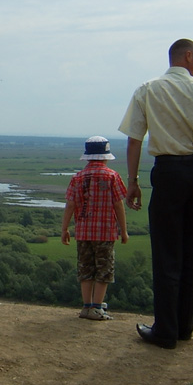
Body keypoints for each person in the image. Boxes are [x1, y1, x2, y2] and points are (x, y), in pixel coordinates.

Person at [119, 39, 193, 349]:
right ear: (188, 56)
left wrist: (132, 181)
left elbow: (134, 140)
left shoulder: (147, 89)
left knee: (166, 255)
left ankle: (165, 331)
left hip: (169, 174)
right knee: (192, 254)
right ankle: (184, 327)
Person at [61, 136, 129, 320]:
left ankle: (86, 306)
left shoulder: (77, 177)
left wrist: (65, 229)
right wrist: (123, 230)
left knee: (86, 269)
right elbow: (118, 205)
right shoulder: (112, 176)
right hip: (105, 232)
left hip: (83, 232)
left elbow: (70, 205)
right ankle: (97, 307)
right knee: (104, 269)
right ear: (105, 156)